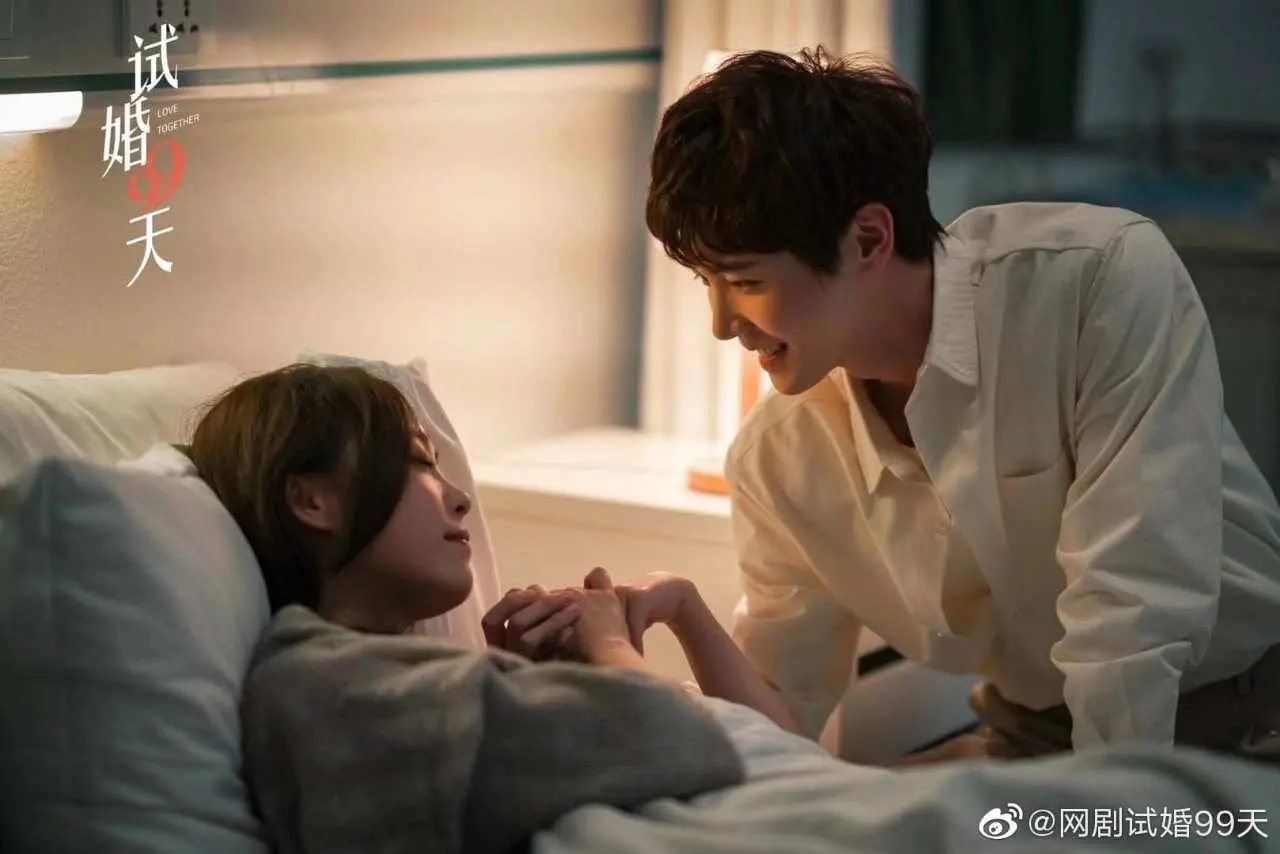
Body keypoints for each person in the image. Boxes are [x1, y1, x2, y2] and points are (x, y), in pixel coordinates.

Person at [638, 47, 1280, 764]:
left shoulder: (1092, 285)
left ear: (869, 238)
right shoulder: (778, 459)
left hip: (1248, 714)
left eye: (745, 282)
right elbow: (779, 724)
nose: (722, 324)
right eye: (705, 283)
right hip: (1038, 734)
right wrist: (682, 612)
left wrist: (1104, 810)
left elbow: (1133, 609)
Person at [186, 363, 801, 853]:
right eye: (419, 461)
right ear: (313, 500)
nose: (457, 498)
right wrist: (608, 646)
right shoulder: (322, 685)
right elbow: (689, 740)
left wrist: (545, 680)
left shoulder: (384, 678)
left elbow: (785, 758)